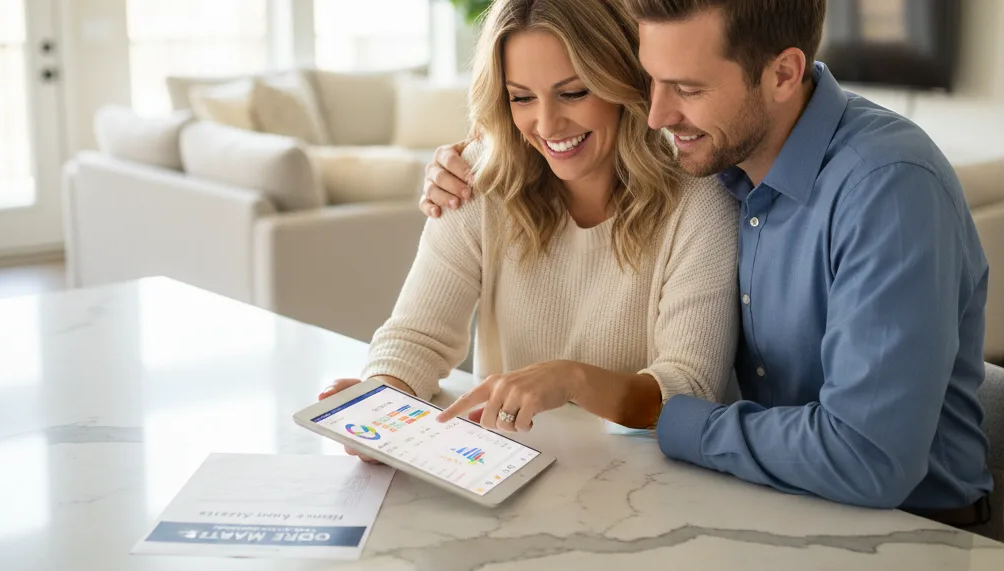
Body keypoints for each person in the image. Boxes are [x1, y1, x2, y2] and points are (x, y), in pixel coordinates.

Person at [420, 0, 998, 539]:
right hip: (762, 506)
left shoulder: (888, 190)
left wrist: (676, 419)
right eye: (652, 80)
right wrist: (485, 149)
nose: (656, 115)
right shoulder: (726, 158)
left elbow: (866, 460)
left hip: (912, 538)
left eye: (688, 88)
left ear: (783, 74)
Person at [319, 0, 740, 455]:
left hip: (645, 476)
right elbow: (417, 338)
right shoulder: (476, 180)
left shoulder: (699, 199)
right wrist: (382, 397)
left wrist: (572, 379)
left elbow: (691, 389)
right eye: (521, 97)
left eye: (573, 92)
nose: (547, 125)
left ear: (626, 80)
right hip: (503, 465)